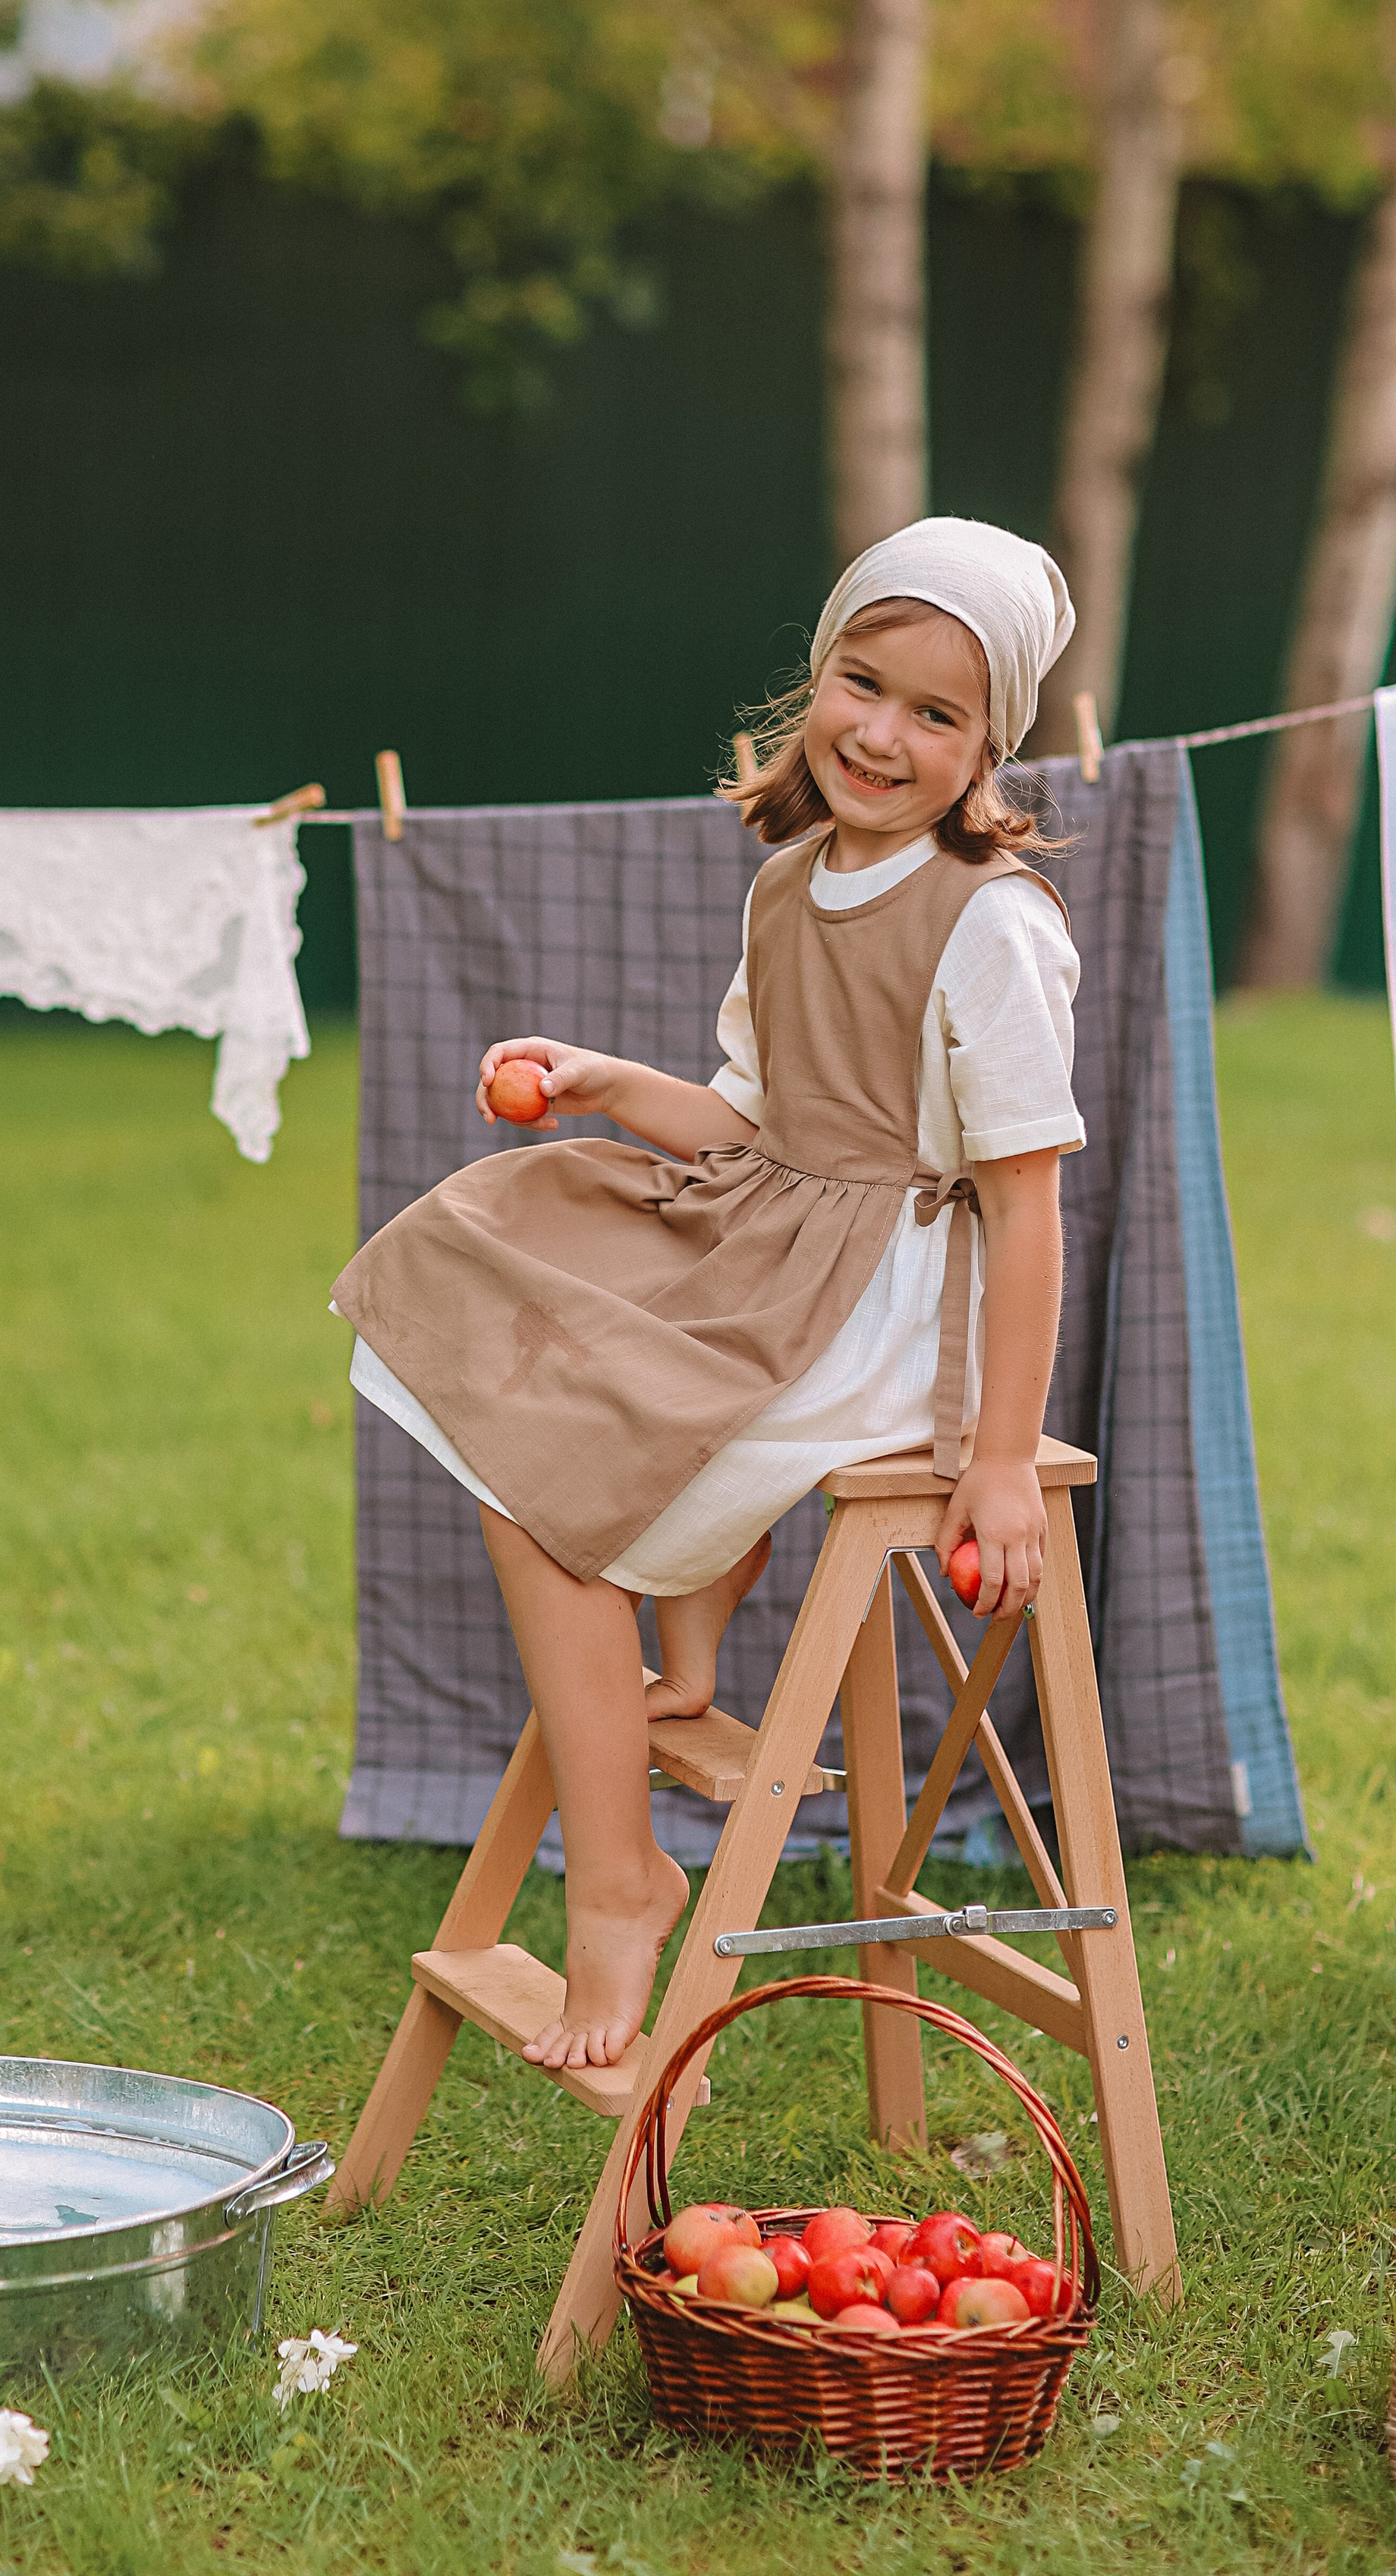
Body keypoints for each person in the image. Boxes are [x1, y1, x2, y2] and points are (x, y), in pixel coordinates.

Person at [332, 517, 1083, 2077]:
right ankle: (684, 1641)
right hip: (769, 1238)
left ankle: (620, 1877)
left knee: (548, 1497)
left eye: (935, 714)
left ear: (985, 747)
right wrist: (604, 1082)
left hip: (883, 1302)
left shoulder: (990, 924)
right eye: (861, 684)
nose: (881, 736)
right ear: (816, 675)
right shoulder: (792, 880)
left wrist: (1002, 1457)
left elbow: (1021, 1207)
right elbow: (753, 1125)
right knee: (514, 1258)